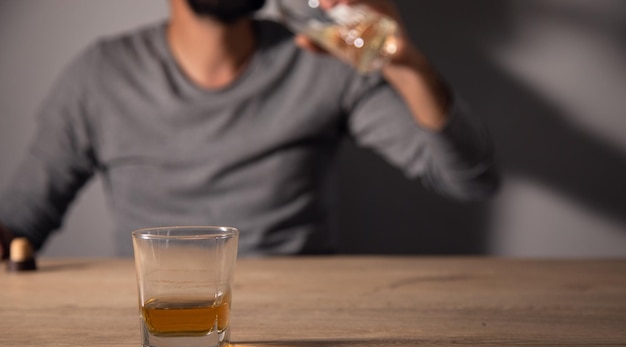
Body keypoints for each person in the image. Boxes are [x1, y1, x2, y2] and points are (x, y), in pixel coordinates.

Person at [0, 0, 499, 260]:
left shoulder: (322, 61)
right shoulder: (102, 75)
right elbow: (19, 224)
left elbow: (469, 179)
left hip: (312, 331)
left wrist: (405, 65)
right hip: (165, 327)